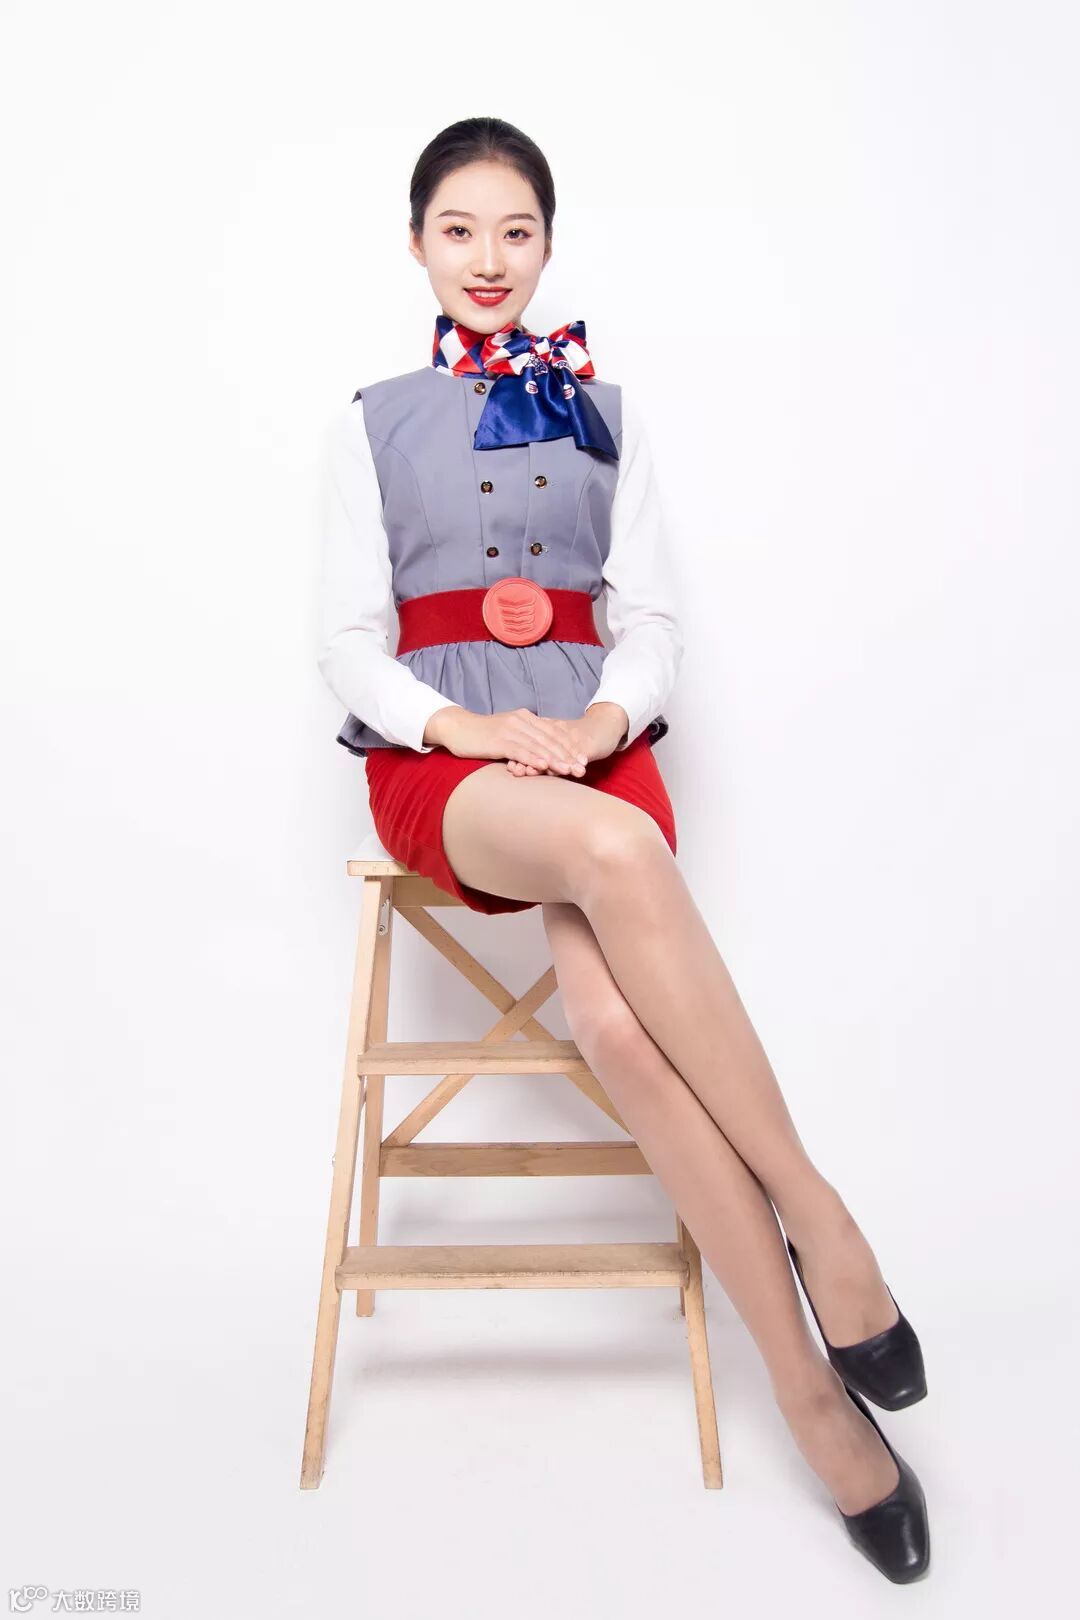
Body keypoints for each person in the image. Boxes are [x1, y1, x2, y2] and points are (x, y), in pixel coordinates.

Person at [316, 115, 930, 1583]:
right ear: (418, 243)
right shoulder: (368, 420)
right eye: (459, 229)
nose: (488, 257)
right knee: (618, 854)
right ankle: (824, 1221)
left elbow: (650, 619)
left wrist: (600, 719)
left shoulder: (608, 409)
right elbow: (344, 642)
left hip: (596, 746)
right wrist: (468, 731)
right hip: (445, 761)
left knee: (616, 1027)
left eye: (516, 230)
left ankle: (810, 1396)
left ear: (548, 245)